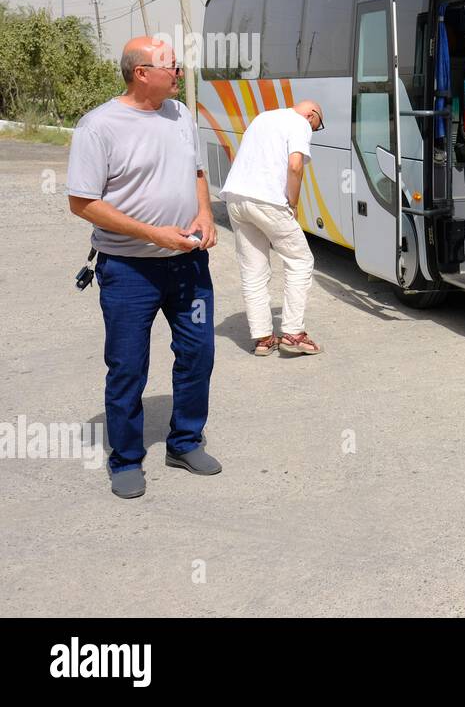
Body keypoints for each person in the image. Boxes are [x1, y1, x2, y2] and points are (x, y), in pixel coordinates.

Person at [67, 37, 221, 499]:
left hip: (188, 265)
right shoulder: (98, 126)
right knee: (128, 366)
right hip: (128, 271)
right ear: (141, 73)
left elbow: (196, 171)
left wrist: (205, 214)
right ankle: (127, 459)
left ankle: (185, 441)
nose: (179, 74)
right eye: (171, 67)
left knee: (198, 355)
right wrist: (156, 235)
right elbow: (83, 203)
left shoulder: (181, 115)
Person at [220, 101, 325, 356]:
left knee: (253, 268)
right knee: (300, 260)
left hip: (236, 197)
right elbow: (295, 165)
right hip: (267, 200)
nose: (314, 129)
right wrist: (294, 203)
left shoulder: (264, 117)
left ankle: (264, 339)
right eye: (317, 125)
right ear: (311, 115)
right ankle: (293, 333)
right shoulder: (300, 123)